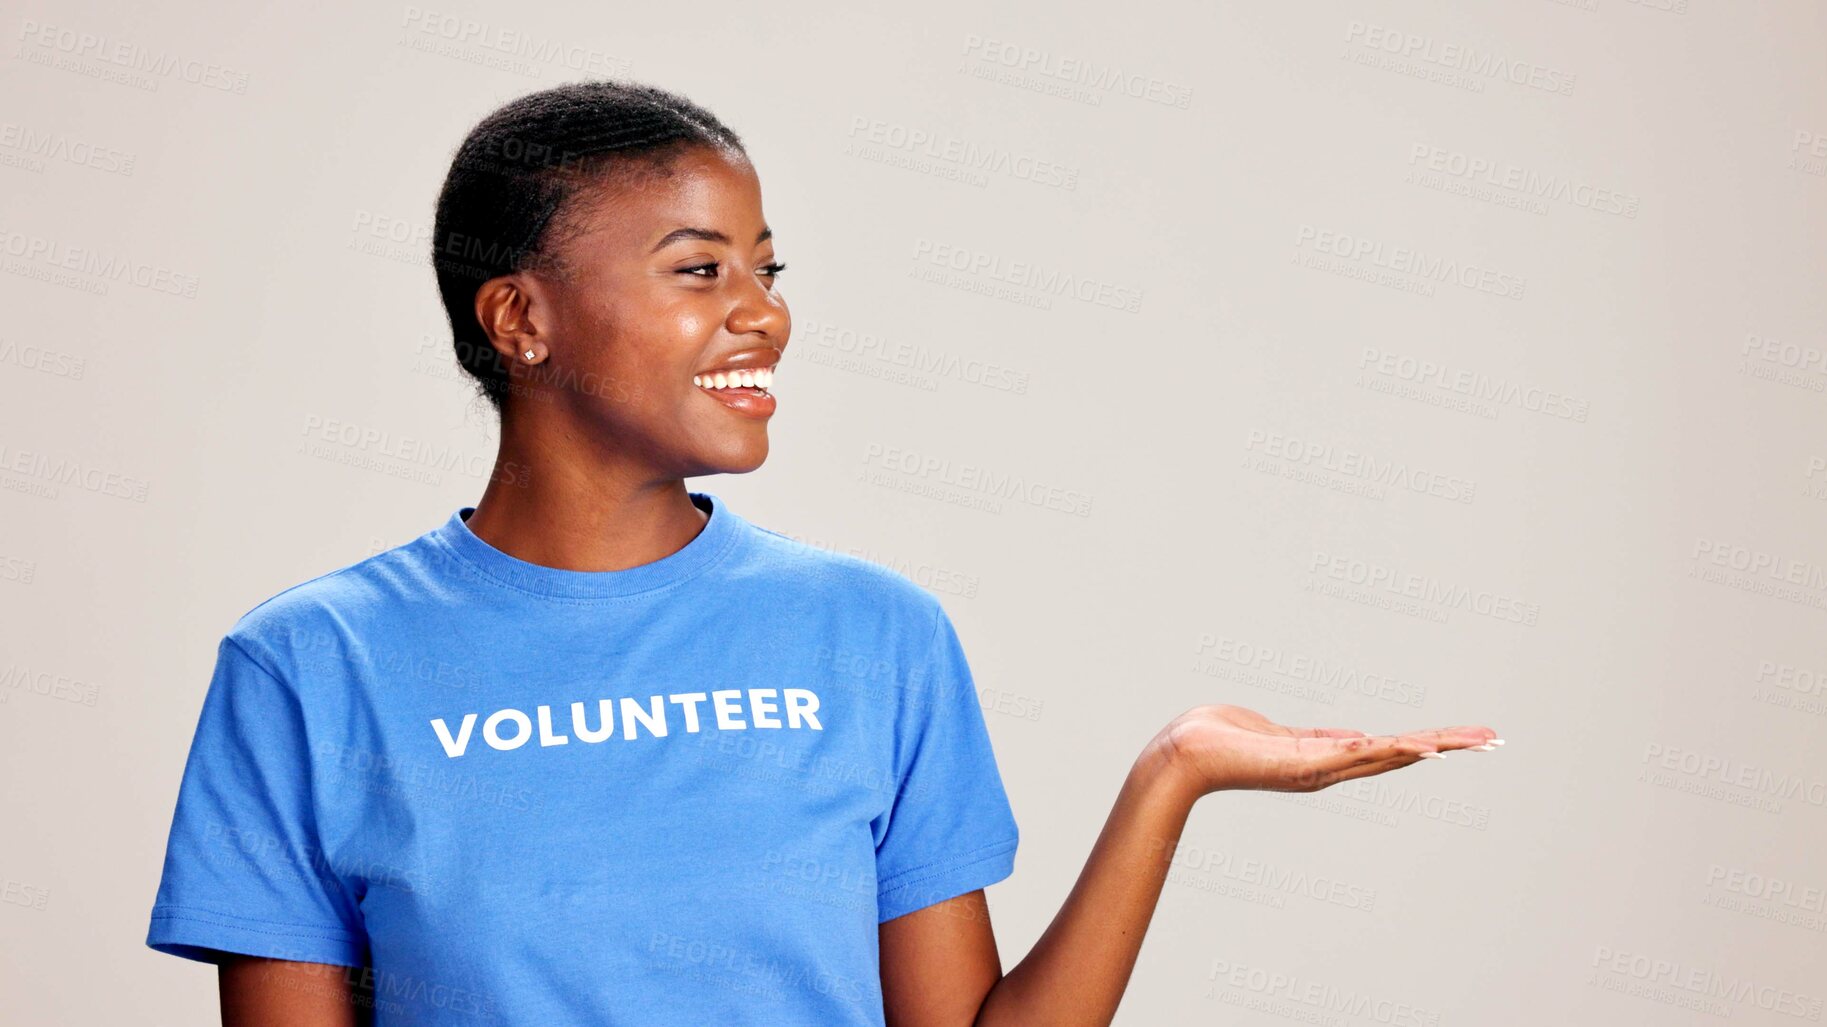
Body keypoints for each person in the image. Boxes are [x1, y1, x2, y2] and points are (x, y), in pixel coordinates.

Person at [143, 80, 1501, 1026]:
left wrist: (1173, 776)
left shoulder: (873, 637)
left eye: (768, 274)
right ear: (523, 319)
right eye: (698, 271)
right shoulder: (312, 670)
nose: (763, 320)